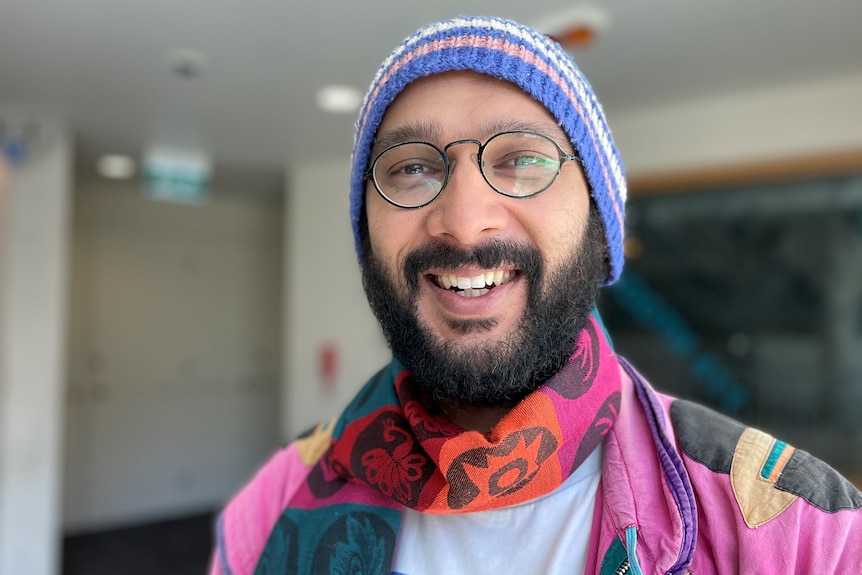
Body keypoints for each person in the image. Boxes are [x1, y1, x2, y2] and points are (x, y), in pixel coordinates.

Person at [211, 16, 862, 575]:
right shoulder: (271, 507)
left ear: (602, 230)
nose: (464, 221)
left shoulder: (798, 527)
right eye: (412, 168)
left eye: (522, 160)